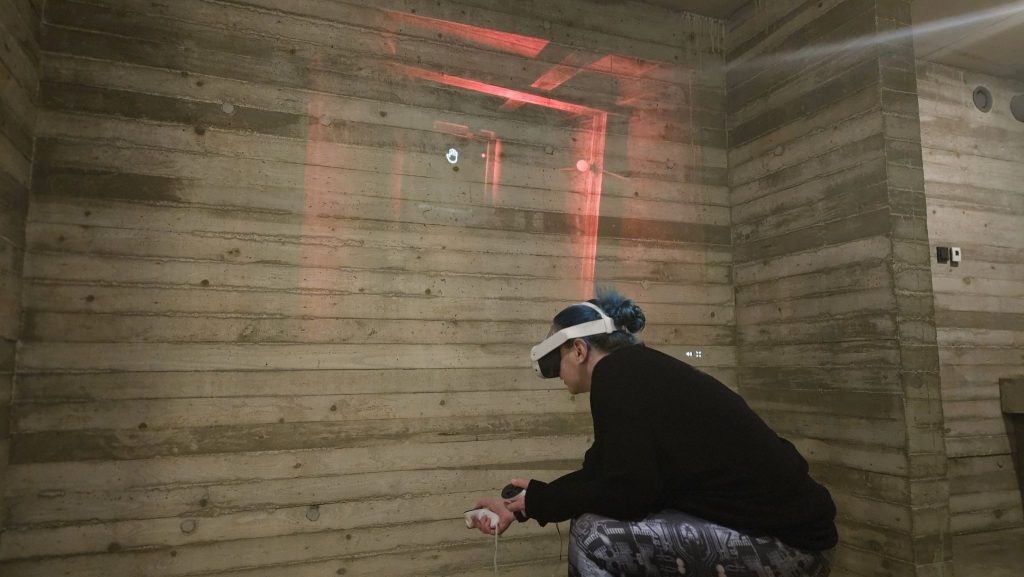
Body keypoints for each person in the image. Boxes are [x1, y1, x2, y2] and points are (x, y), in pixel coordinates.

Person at [468, 289, 837, 577]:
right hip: (792, 537)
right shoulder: (637, 372)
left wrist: (542, 501)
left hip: (788, 549)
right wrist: (525, 505)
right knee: (596, 519)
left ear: (578, 350)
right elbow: (606, 476)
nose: (558, 377)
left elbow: (627, 491)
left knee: (595, 537)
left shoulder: (616, 376)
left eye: (555, 364)